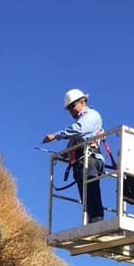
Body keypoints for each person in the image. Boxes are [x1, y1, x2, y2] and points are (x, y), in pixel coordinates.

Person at [42, 89, 106, 224]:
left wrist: (56, 135)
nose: (71, 111)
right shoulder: (83, 119)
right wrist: (65, 154)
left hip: (89, 159)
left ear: (83, 102)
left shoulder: (91, 115)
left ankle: (96, 223)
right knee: (87, 198)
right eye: (69, 108)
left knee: (91, 194)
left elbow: (79, 129)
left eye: (72, 106)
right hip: (82, 161)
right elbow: (75, 141)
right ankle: (92, 223)